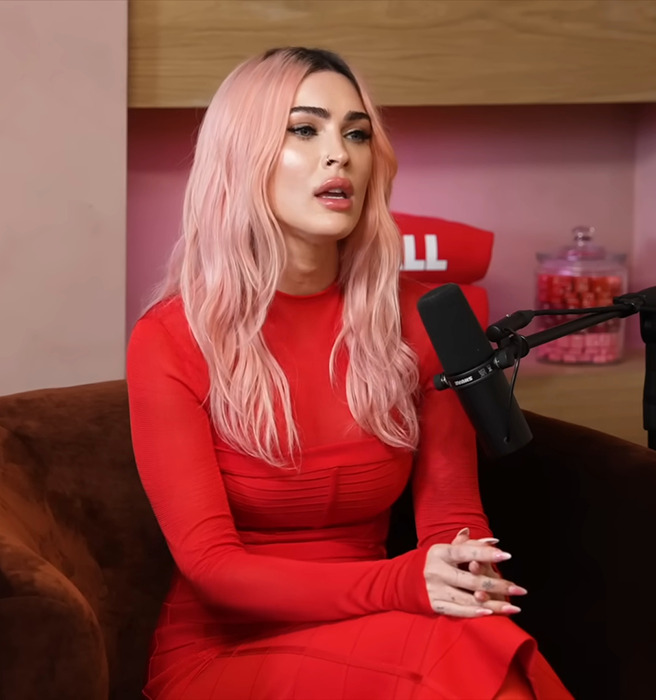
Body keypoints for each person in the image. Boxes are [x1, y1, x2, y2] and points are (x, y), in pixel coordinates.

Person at [126, 46, 573, 700]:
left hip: (375, 626)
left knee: (481, 639)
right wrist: (404, 583)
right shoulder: (170, 337)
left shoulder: (423, 318)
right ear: (241, 155)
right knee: (468, 654)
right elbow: (212, 568)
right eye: (304, 129)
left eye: (357, 133)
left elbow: (451, 512)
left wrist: (467, 568)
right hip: (225, 648)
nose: (340, 153)